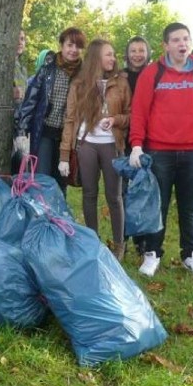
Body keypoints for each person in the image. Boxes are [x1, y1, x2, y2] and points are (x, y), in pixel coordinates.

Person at [129, 22, 193, 278]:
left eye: (186, 39)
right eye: (176, 40)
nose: (182, 44)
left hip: (192, 153)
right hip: (159, 152)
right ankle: (152, 254)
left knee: (189, 207)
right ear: (166, 45)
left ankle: (191, 254)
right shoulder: (152, 73)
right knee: (159, 207)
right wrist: (136, 145)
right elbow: (139, 111)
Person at [58, 39, 131, 259]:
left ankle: (119, 246)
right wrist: (64, 155)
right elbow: (70, 119)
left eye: (114, 55)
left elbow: (131, 115)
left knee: (114, 196)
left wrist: (116, 119)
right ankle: (92, 242)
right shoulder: (79, 84)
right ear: (96, 57)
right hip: (86, 145)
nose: (113, 58)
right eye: (108, 54)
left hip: (111, 145)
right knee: (89, 194)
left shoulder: (121, 83)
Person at [14, 27, 86, 192]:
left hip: (68, 136)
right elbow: (31, 99)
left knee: (61, 180)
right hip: (45, 131)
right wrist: (22, 131)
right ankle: (41, 214)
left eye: (78, 46)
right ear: (61, 45)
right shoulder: (48, 68)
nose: (73, 50)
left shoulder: (83, 73)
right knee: (42, 179)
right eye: (70, 45)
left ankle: (58, 216)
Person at [122, 36, 151, 255]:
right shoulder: (120, 76)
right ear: (127, 54)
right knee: (122, 191)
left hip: (147, 138)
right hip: (123, 136)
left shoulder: (153, 75)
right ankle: (121, 234)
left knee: (142, 190)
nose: (137, 54)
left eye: (141, 50)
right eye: (133, 51)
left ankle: (142, 240)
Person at [13, 29, 28, 108]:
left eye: (22, 39)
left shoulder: (23, 68)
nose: (20, 43)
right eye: (16, 39)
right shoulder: (7, 64)